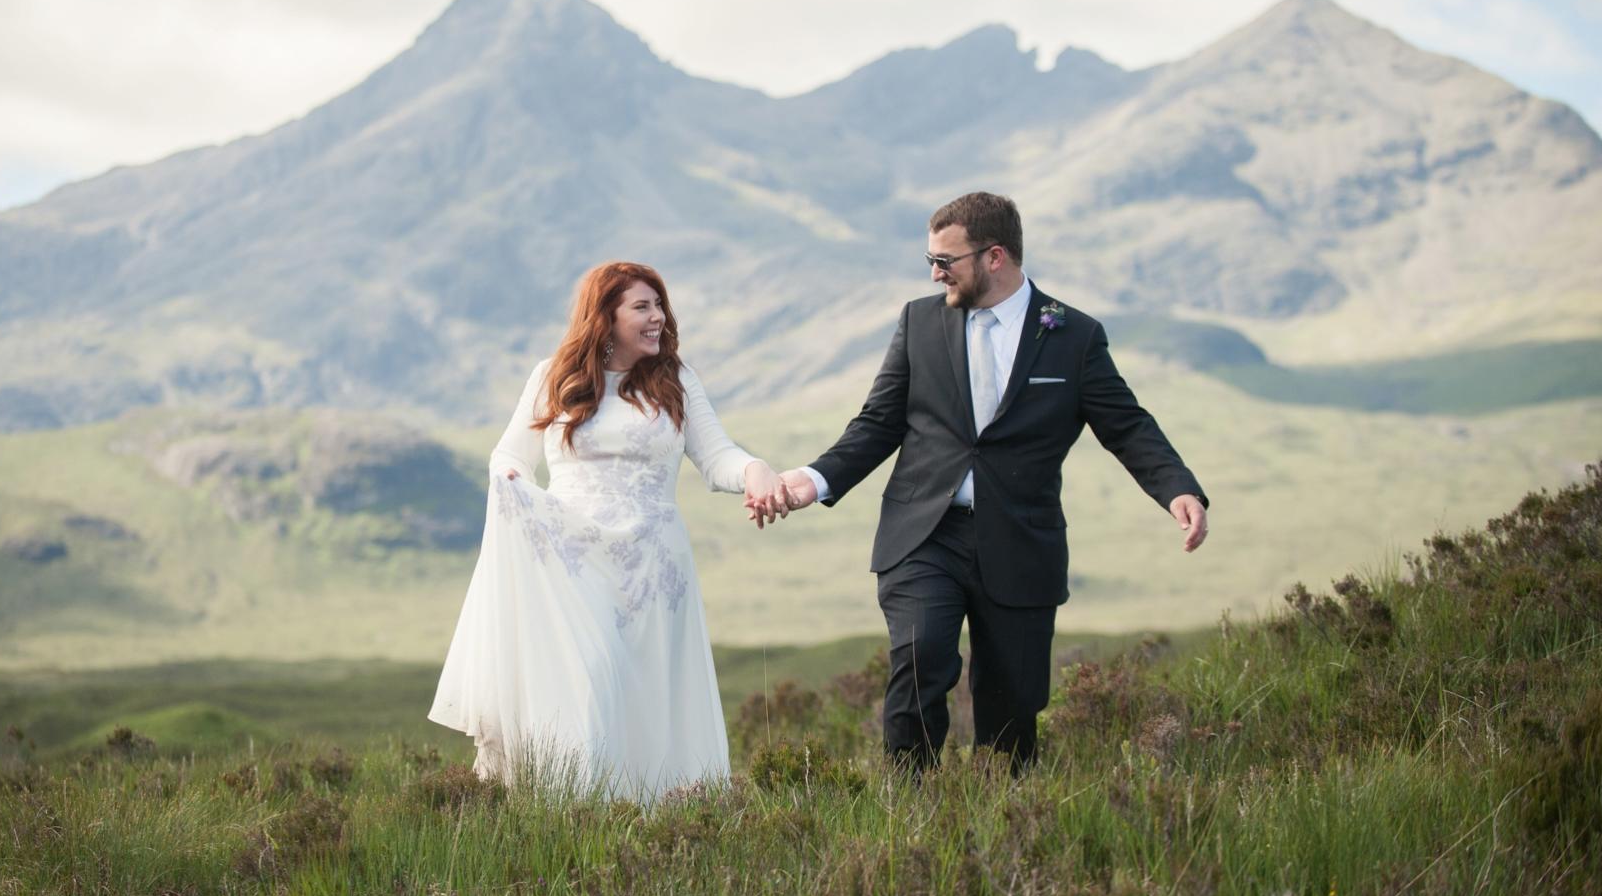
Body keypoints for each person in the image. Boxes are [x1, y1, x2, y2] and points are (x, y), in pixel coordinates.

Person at [750, 191, 1209, 771]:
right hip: (925, 535)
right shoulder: (919, 321)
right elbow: (878, 423)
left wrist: (1177, 488)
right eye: (931, 261)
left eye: (947, 260)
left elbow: (1127, 425)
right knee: (920, 659)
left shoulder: (1073, 335)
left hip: (1020, 542)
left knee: (1012, 707)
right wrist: (810, 481)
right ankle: (907, 812)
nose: (936, 273)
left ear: (996, 257)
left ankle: (1002, 819)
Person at [429, 261, 785, 802]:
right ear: (605, 316)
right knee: (592, 681)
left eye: (660, 306)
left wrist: (756, 470)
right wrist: (511, 483)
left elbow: (717, 458)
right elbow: (510, 455)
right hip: (574, 560)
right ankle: (580, 811)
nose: (658, 318)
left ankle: (657, 817)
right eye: (642, 307)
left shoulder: (676, 380)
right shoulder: (553, 377)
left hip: (653, 568)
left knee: (648, 690)